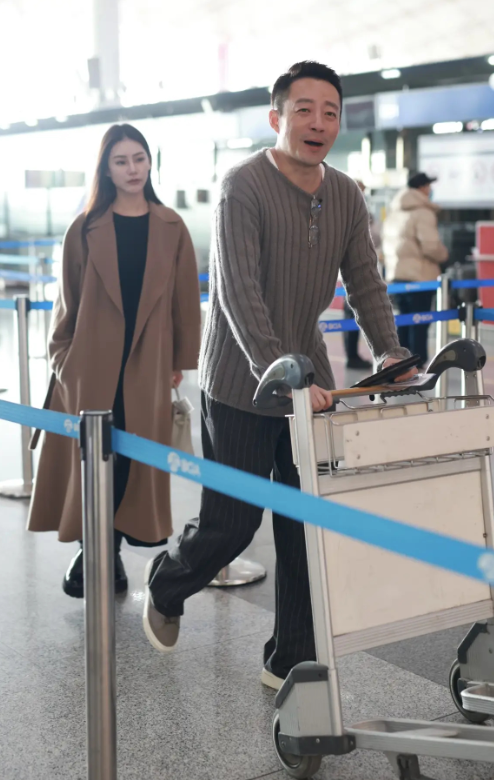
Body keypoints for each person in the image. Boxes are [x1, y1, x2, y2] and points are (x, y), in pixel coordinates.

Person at [143, 61, 414, 689]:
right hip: (240, 381)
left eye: (330, 112)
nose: (318, 123)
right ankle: (168, 582)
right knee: (231, 524)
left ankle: (289, 657)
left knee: (304, 527)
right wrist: (276, 368)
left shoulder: (345, 194)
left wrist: (389, 352)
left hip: (311, 386)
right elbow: (239, 292)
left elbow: (364, 279)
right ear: (277, 117)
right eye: (304, 110)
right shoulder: (242, 186)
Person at [27, 124, 201, 598]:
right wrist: (64, 361)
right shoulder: (84, 228)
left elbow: (185, 301)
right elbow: (66, 304)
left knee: (130, 460)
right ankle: (95, 549)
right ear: (106, 169)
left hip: (148, 366)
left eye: (139, 158)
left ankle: (111, 548)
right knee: (92, 459)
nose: (132, 169)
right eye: (121, 161)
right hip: (90, 366)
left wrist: (179, 360)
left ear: (150, 163)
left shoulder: (171, 226)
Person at [382, 172, 448, 368]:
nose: (430, 190)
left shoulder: (394, 212)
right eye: (428, 186)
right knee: (420, 323)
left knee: (403, 322)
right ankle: (417, 364)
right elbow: (431, 246)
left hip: (397, 277)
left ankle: (402, 362)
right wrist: (445, 255)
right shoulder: (423, 213)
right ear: (422, 188)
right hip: (420, 277)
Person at [342, 180, 372, 370]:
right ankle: (351, 355)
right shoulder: (344, 212)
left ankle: (353, 354)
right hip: (349, 272)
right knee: (351, 314)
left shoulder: (363, 212)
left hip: (362, 268)